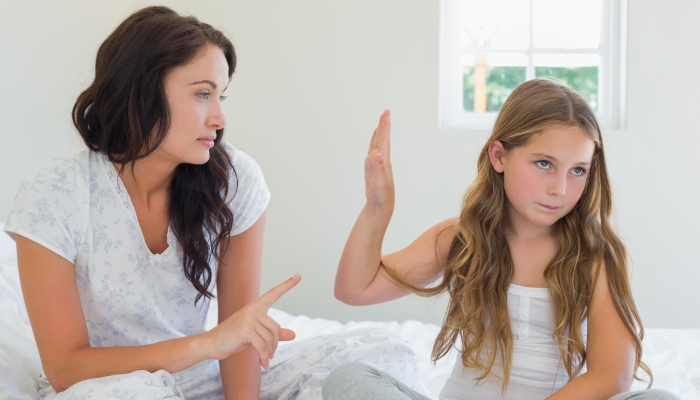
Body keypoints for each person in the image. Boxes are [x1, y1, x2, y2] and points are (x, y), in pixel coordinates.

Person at [3, 6, 303, 399]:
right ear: (142, 93)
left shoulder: (234, 180)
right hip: (105, 388)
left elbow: (240, 337)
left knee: (375, 356)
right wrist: (206, 344)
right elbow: (65, 369)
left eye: (220, 95)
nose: (218, 117)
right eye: (202, 94)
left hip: (200, 378)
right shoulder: (54, 194)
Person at [323, 79, 681, 400]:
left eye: (577, 171)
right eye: (544, 163)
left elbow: (612, 375)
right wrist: (378, 208)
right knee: (348, 379)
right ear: (499, 156)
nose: (559, 188)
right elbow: (355, 290)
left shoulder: (596, 257)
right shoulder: (460, 237)